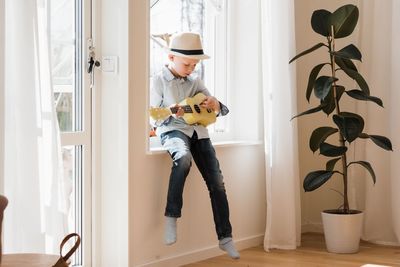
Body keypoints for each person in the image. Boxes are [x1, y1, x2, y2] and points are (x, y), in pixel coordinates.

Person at [150, 32, 240, 259]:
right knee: (182, 158)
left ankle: (225, 237)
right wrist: (171, 112)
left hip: (199, 132)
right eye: (187, 64)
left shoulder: (196, 82)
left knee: (217, 182)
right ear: (171, 57)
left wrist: (216, 103)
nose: (191, 68)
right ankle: (171, 217)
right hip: (172, 130)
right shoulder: (158, 80)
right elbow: (153, 116)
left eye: (195, 64)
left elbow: (216, 109)